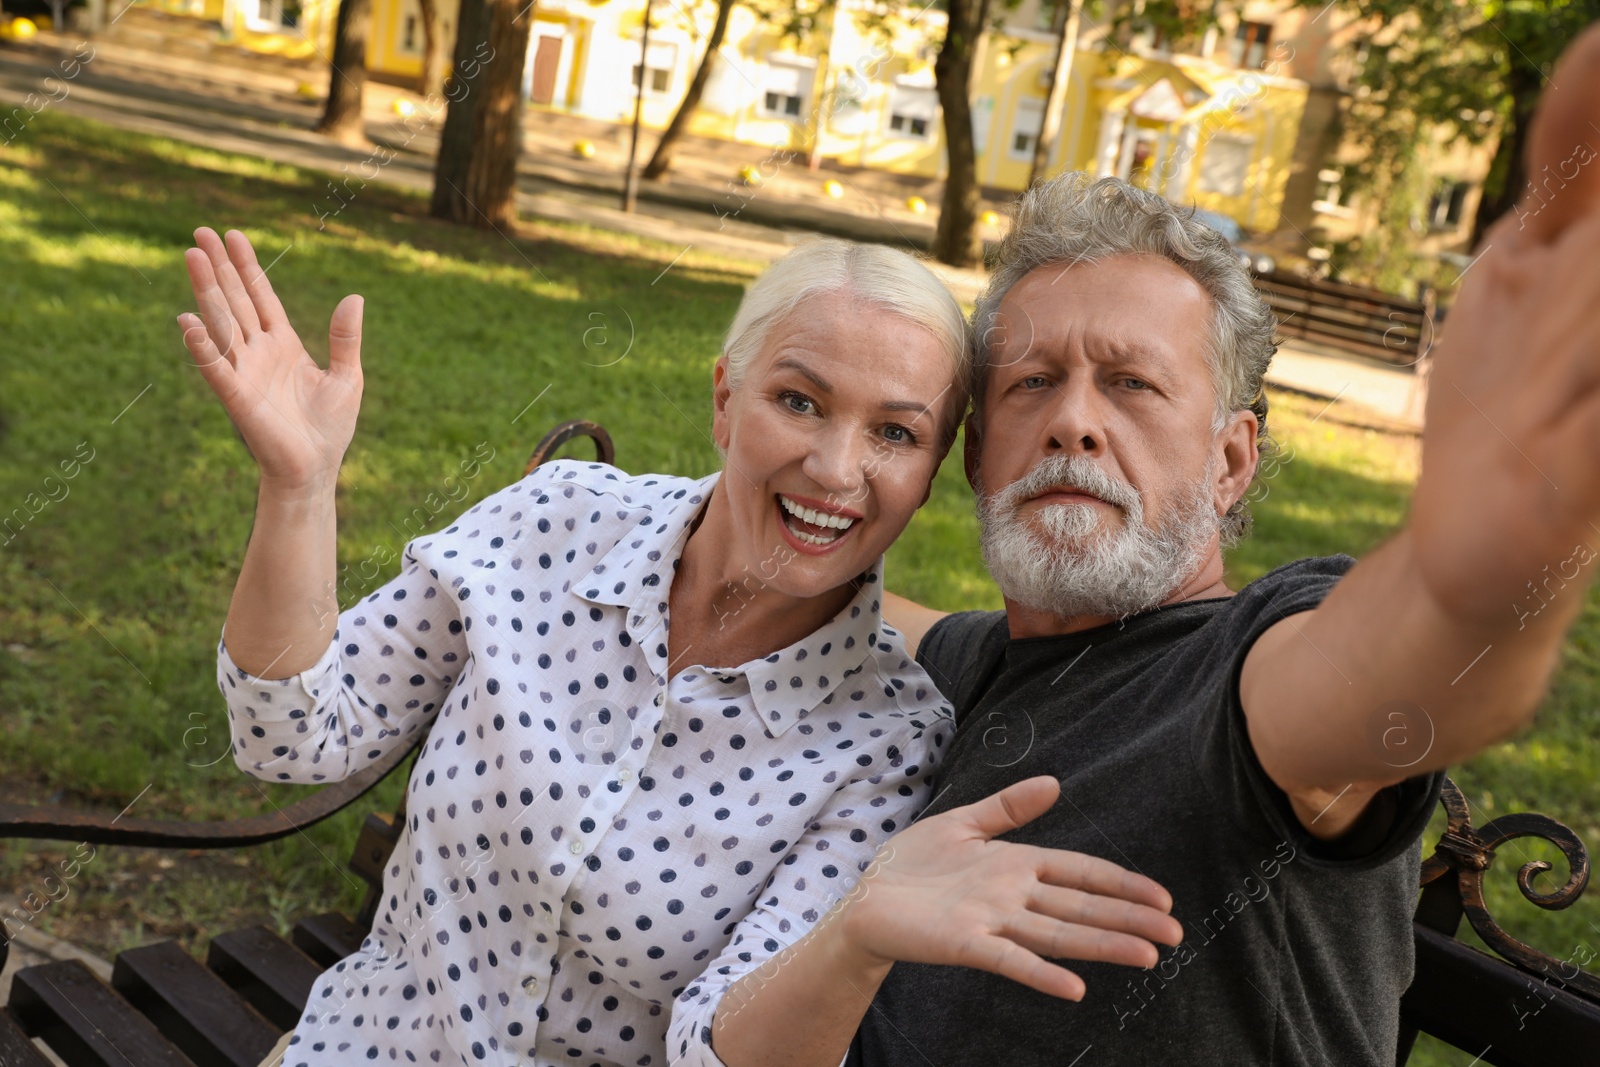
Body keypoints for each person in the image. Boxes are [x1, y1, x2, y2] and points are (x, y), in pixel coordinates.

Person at [666, 23, 1600, 1067]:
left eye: (1131, 382)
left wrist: (1474, 584)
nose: (1073, 420)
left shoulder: (1241, 674)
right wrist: (665, 521)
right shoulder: (973, 664)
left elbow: (1377, 690)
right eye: (1031, 383)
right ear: (977, 457)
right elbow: (820, 597)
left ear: (1231, 461)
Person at [178, 231, 1180, 1067]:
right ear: (721, 399)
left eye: (894, 433)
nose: (834, 468)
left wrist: (855, 933)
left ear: (931, 473)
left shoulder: (883, 744)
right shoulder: (556, 523)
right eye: (798, 400)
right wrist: (300, 487)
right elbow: (293, 735)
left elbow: (710, 1049)